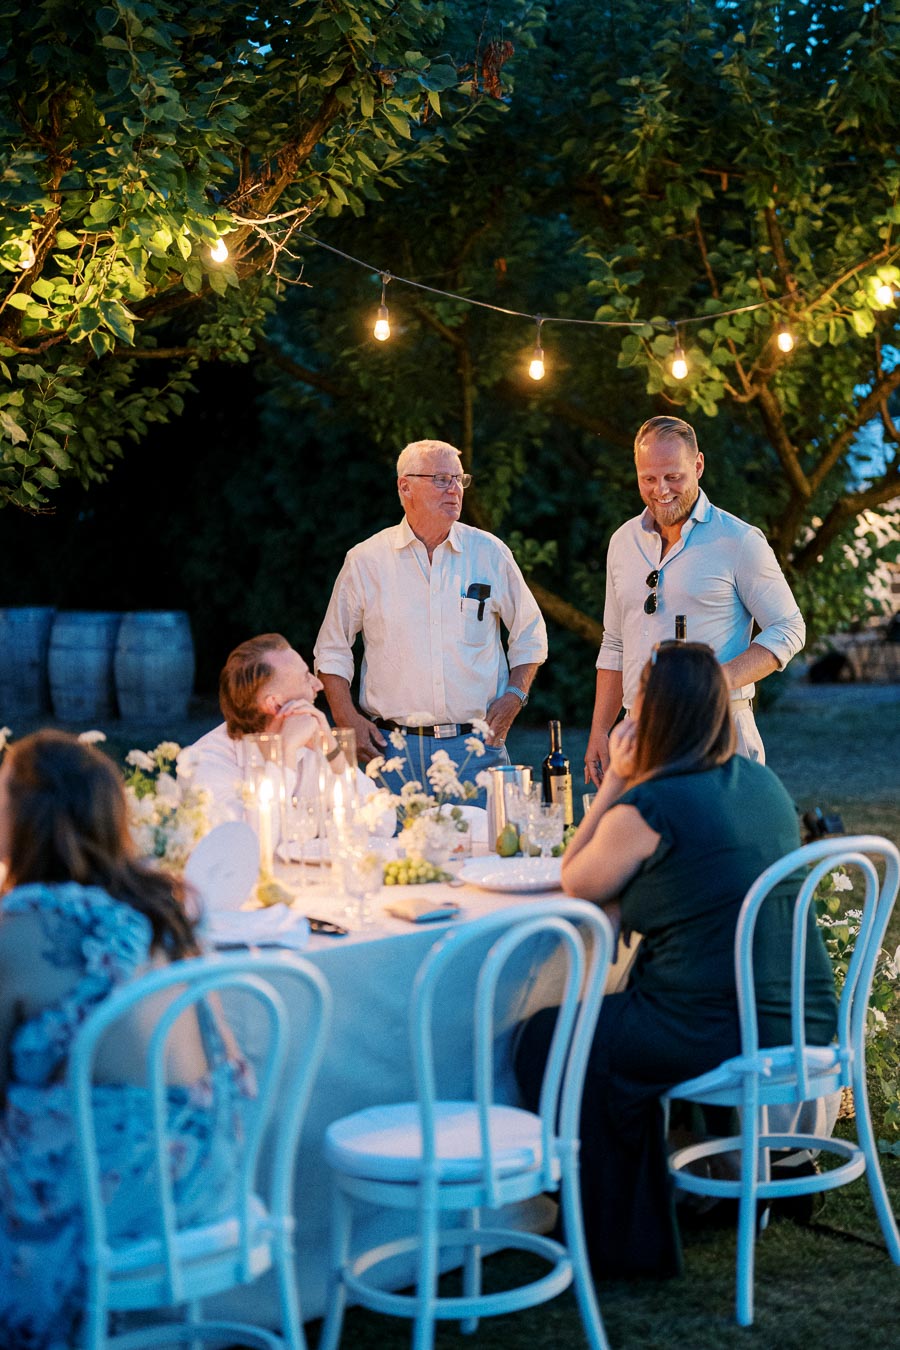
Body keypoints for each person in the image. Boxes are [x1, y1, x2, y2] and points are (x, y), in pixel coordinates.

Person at [515, 643, 837, 1280]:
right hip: (797, 1015)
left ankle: (628, 1235)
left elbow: (578, 879)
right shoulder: (761, 782)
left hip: (715, 1024)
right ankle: (667, 1184)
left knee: (548, 1039)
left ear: (654, 714)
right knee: (600, 1028)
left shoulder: (649, 807)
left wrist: (614, 778)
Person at [0, 731, 250, 1349]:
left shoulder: (20, 927)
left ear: (23, 815)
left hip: (103, 1201)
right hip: (206, 1176)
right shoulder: (165, 903)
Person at [584, 415, 805, 786]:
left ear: (698, 465)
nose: (661, 490)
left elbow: (789, 628)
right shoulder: (622, 543)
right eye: (648, 479)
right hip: (638, 737)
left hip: (718, 729)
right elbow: (614, 642)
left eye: (673, 477)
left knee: (719, 843)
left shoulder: (739, 540)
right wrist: (601, 731)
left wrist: (714, 681)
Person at [314, 439, 548, 789]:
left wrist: (515, 696)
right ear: (404, 486)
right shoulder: (366, 561)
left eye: (459, 479)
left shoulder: (489, 553)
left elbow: (530, 634)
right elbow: (331, 650)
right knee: (387, 845)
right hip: (391, 752)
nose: (454, 489)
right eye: (441, 479)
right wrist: (345, 716)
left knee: (493, 845)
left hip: (479, 749)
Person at [184, 633, 390, 834]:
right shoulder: (206, 761)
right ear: (274, 704)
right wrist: (286, 754)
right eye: (305, 678)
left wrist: (333, 753)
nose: (318, 684)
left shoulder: (313, 745)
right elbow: (252, 840)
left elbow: (383, 822)